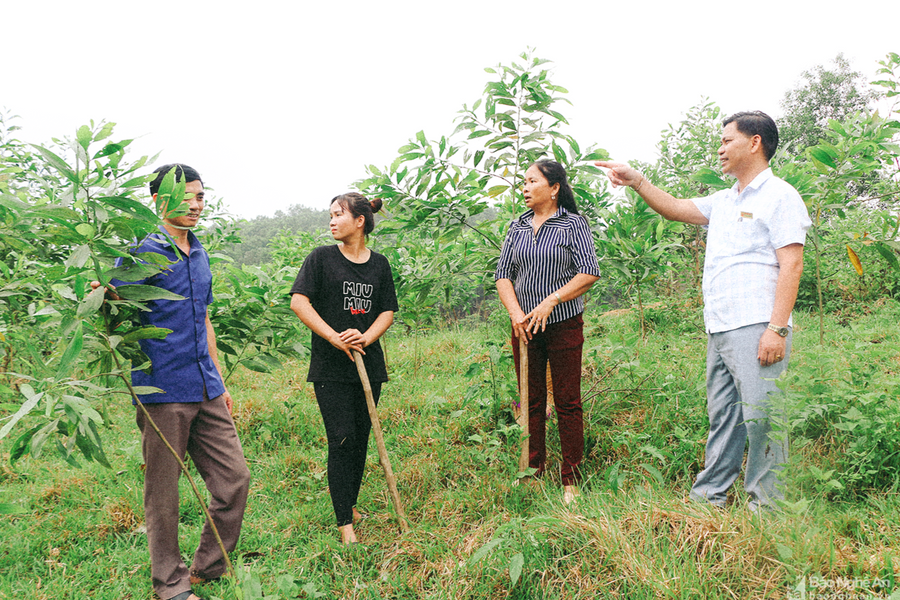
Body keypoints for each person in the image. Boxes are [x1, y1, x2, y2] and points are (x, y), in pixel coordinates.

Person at [597, 111, 811, 511]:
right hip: (721, 325)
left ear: (755, 142)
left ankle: (767, 507)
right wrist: (637, 181)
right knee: (724, 415)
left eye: (728, 140)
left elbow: (792, 264)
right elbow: (675, 208)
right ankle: (708, 498)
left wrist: (777, 329)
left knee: (763, 417)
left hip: (757, 323)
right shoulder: (725, 200)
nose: (720, 149)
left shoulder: (780, 195)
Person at [99, 164, 250, 600]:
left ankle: (208, 567)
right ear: (158, 200)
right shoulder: (141, 253)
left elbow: (204, 318)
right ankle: (170, 585)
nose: (196, 205)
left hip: (205, 386)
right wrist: (99, 291)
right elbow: (110, 303)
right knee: (163, 496)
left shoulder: (199, 254)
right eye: (186, 197)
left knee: (234, 480)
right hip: (161, 389)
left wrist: (219, 380)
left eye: (200, 196)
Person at [289, 192, 398, 544]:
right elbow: (299, 302)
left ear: (360, 221)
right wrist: (334, 337)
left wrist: (366, 337)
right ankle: (344, 524)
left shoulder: (379, 264)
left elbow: (387, 311)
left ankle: (349, 502)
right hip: (331, 366)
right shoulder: (321, 258)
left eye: (339, 215)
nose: (332, 221)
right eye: (331, 215)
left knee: (362, 437)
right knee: (341, 438)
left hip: (369, 364)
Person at [495, 160, 601, 505]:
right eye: (523, 182)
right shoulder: (518, 226)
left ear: (554, 188)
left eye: (532, 181)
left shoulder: (573, 224)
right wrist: (516, 313)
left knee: (568, 401)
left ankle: (571, 478)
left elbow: (589, 272)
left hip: (563, 323)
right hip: (524, 326)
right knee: (531, 399)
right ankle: (532, 470)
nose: (525, 188)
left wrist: (551, 301)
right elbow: (503, 275)